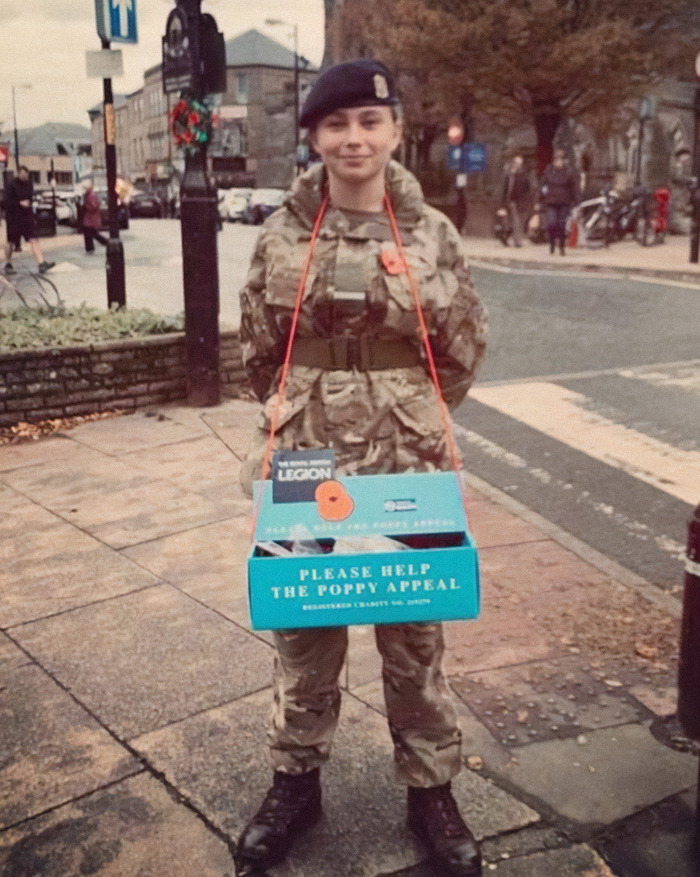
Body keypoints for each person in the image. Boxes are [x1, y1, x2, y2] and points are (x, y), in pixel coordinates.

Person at [236, 60, 488, 877]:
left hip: (407, 453)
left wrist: (404, 403)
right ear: (314, 135)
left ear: (394, 131)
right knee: (305, 627)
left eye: (370, 122)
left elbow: (462, 349)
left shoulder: (433, 232)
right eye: (337, 123)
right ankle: (294, 780)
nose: (354, 138)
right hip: (308, 453)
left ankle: (430, 786)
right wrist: (306, 405)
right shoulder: (280, 232)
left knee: (413, 631)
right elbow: (256, 351)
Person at [3, 166, 54, 274]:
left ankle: (41, 263)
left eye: (26, 174)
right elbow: (5, 203)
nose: (24, 176)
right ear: (18, 174)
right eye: (22, 174)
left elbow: (30, 198)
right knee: (11, 242)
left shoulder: (29, 184)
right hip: (13, 218)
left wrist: (29, 205)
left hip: (26, 217)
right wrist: (19, 203)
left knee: (33, 239)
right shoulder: (11, 185)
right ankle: (8, 262)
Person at [540, 148, 579, 255]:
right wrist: (540, 199)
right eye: (557, 160)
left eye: (560, 160)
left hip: (564, 202)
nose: (558, 163)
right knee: (551, 223)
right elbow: (542, 186)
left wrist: (576, 202)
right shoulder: (548, 171)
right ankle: (552, 242)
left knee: (561, 224)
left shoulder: (568, 172)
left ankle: (561, 245)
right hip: (551, 202)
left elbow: (573, 188)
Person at [501, 154, 530, 246]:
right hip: (508, 200)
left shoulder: (523, 175)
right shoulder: (509, 174)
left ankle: (517, 241)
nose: (517, 164)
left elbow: (526, 188)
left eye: (519, 163)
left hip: (518, 201)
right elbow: (505, 189)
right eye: (516, 162)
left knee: (516, 221)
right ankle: (506, 236)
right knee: (508, 221)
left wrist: (524, 201)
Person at [81, 179, 109, 253]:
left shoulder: (91, 195)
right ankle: (90, 247)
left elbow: (94, 207)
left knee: (92, 233)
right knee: (91, 233)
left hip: (91, 218)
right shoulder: (87, 195)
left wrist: (86, 207)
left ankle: (105, 243)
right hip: (89, 218)